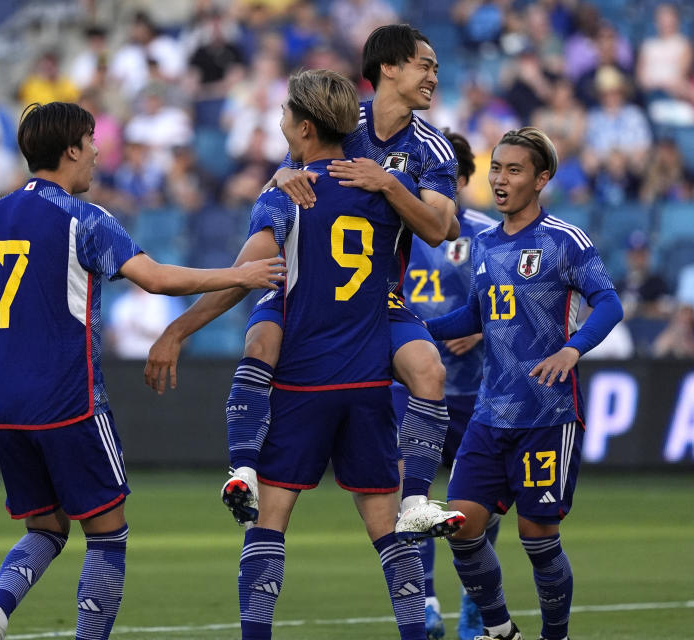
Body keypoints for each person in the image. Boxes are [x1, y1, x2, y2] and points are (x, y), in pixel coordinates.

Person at [0, 101, 285, 640]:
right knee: (107, 537)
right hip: (70, 403)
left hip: (5, 408)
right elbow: (152, 277)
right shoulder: (84, 219)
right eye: (91, 140)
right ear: (71, 149)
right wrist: (238, 273)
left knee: (47, 527)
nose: (99, 151)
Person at [146, 24, 464, 543]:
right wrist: (280, 177)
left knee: (428, 370)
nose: (433, 77)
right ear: (390, 67)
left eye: (435, 69)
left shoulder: (434, 149)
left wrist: (387, 183)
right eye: (425, 65)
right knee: (261, 337)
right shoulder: (340, 120)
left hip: (379, 300)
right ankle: (244, 468)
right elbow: (287, 176)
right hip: (310, 292)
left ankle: (416, 502)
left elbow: (440, 229)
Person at [215, 68, 426, 640]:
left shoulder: (286, 194)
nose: (280, 118)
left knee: (269, 523)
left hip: (302, 381)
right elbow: (435, 225)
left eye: (285, 112)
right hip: (365, 380)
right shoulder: (378, 189)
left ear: (304, 127)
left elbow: (243, 274)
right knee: (388, 529)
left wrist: (180, 328)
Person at [425, 127, 623, 640]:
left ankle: (555, 636)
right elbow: (475, 313)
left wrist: (572, 347)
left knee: (538, 541)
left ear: (541, 179)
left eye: (514, 170)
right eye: (496, 168)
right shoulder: (484, 244)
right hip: (491, 414)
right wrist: (417, 328)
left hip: (546, 415)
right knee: (461, 527)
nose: (500, 179)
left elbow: (610, 303)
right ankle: (499, 629)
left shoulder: (565, 240)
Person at [392, 130, 498, 640]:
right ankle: (427, 603)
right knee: (414, 496)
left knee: (477, 503)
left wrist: (479, 325)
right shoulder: (395, 229)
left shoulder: (485, 236)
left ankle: (475, 607)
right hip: (411, 384)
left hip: (477, 388)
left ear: (456, 181)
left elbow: (517, 304)